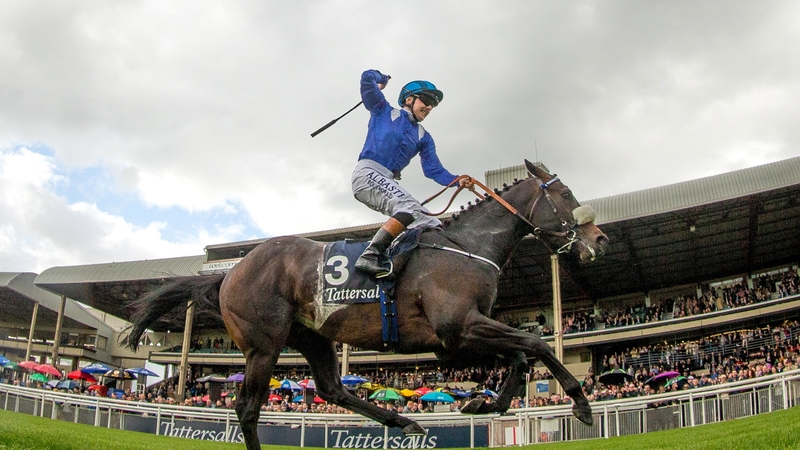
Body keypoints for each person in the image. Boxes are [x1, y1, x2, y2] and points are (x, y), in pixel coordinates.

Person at [352, 69, 473, 276]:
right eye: (425, 100)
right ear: (409, 99)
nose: (429, 107)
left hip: (387, 180)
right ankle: (369, 255)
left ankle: (399, 266)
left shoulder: (425, 137)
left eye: (432, 105)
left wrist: (457, 181)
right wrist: (382, 80)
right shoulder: (383, 109)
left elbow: (433, 170)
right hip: (367, 173)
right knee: (408, 208)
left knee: (431, 223)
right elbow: (366, 77)